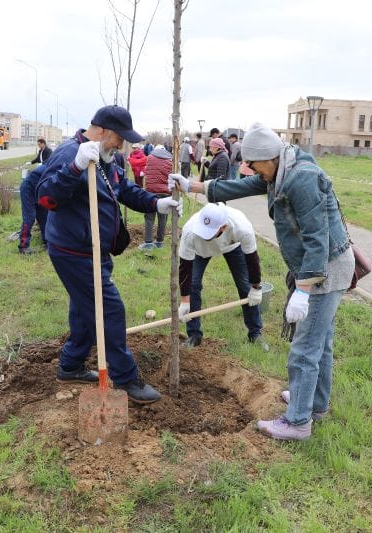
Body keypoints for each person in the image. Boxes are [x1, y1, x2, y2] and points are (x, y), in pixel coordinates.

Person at [169, 122, 354, 440]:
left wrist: (303, 290)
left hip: (325, 269)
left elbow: (317, 238)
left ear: (267, 157)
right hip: (320, 267)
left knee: (305, 348)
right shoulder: (281, 170)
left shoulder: (301, 179)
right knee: (320, 343)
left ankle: (297, 422)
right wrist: (193, 187)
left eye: (253, 164)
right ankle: (314, 403)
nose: (252, 170)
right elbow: (239, 187)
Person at [36, 105, 182, 404]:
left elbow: (123, 188)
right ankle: (126, 378)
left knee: (85, 308)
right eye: (119, 138)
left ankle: (71, 365)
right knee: (109, 310)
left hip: (94, 249)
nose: (121, 144)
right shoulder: (71, 153)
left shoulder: (106, 156)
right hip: (73, 250)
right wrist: (75, 168)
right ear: (102, 131)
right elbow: (46, 197)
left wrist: (155, 203)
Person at [177, 203, 267, 350]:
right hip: (200, 251)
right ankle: (194, 335)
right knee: (193, 284)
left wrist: (256, 287)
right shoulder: (190, 231)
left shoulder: (241, 227)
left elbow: (252, 259)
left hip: (232, 246)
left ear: (223, 227)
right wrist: (184, 301)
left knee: (245, 285)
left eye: (209, 232)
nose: (204, 234)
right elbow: (185, 267)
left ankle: (255, 333)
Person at [18, 139, 54, 254]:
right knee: (30, 217)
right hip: (29, 189)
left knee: (44, 216)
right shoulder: (52, 168)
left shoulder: (54, 161)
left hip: (39, 191)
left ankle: (47, 242)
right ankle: (23, 247)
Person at [139, 144, 172, 250]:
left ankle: (148, 243)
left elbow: (145, 170)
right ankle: (160, 242)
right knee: (163, 218)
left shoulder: (149, 158)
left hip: (151, 192)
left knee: (149, 217)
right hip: (166, 193)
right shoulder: (170, 160)